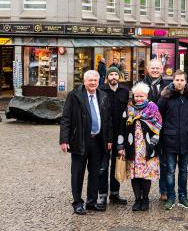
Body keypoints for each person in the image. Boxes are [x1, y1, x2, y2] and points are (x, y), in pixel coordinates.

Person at [59, 70, 112, 215]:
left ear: (99, 81)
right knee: (77, 173)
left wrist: (109, 139)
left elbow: (107, 120)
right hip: (80, 140)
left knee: (95, 173)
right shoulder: (75, 95)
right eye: (90, 80)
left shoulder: (103, 96)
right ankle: (77, 203)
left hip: (98, 141)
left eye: (95, 80)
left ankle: (91, 201)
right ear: (84, 81)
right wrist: (64, 139)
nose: (93, 83)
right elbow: (66, 118)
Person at [118, 82, 162, 211]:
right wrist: (120, 146)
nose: (138, 99)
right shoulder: (129, 109)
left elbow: (158, 126)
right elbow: (122, 128)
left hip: (147, 147)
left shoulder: (152, 108)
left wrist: (154, 142)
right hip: (132, 147)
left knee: (146, 175)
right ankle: (137, 199)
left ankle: (145, 199)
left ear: (146, 95)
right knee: (135, 175)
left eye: (141, 96)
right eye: (136, 96)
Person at [157, 70, 188, 210]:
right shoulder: (165, 98)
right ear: (172, 81)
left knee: (183, 171)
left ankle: (183, 197)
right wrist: (160, 140)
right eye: (177, 80)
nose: (179, 82)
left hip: (187, 139)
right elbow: (159, 119)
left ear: (186, 81)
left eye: (182, 80)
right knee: (169, 171)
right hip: (170, 140)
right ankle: (171, 197)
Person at [98, 67, 129, 206]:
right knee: (103, 165)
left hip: (120, 133)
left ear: (119, 76)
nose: (114, 76)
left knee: (117, 164)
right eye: (111, 74)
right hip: (105, 134)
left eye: (116, 74)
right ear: (107, 77)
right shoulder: (101, 91)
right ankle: (102, 194)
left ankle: (115, 194)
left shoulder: (125, 91)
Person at [141, 59, 168, 202]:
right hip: (146, 130)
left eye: (158, 68)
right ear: (147, 69)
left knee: (163, 162)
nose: (155, 70)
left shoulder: (168, 86)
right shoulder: (140, 85)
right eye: (153, 68)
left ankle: (163, 191)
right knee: (147, 160)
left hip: (163, 130)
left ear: (162, 69)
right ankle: (144, 194)